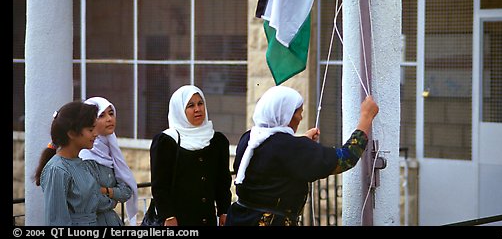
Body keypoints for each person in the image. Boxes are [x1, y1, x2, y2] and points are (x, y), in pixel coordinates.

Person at [225, 85, 379, 226]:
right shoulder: (290, 148)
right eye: (299, 112)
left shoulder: (249, 138)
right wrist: (366, 118)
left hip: (239, 218)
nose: (301, 117)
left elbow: (275, 156)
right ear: (287, 115)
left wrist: (302, 141)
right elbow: (346, 158)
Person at [150, 85, 232, 226]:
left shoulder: (217, 140)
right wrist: (168, 216)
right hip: (178, 220)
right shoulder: (167, 141)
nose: (197, 109)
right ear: (180, 110)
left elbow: (223, 181)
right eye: (190, 105)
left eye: (200, 104)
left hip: (207, 219)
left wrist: (224, 211)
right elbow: (160, 185)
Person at [34, 101, 117, 226]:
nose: (95, 134)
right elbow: (57, 222)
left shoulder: (82, 164)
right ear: (72, 133)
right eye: (90, 129)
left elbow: (95, 201)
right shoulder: (57, 170)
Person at [79, 97, 138, 226]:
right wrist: (114, 197)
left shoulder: (110, 150)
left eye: (111, 114)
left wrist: (106, 191)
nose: (109, 119)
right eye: (101, 115)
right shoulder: (85, 156)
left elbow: (127, 191)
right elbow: (93, 201)